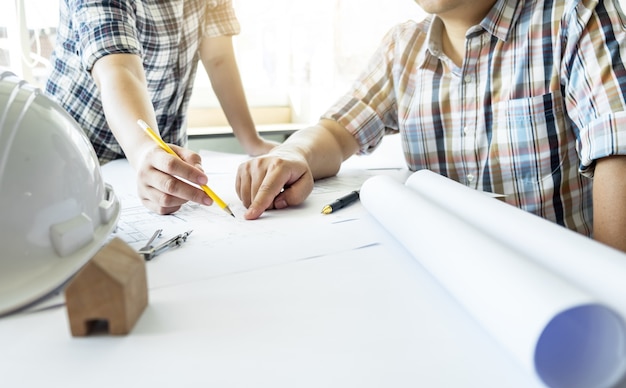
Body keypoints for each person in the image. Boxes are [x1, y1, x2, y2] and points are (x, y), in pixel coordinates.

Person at [235, 0, 626, 253]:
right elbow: (338, 130)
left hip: (556, 289)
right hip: (444, 274)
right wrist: (293, 152)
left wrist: (610, 292)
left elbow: (617, 142)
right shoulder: (404, 45)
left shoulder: (574, 15)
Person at [45, 0, 276, 214]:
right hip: (80, 150)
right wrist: (145, 151)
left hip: (158, 144)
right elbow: (120, 70)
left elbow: (219, 57)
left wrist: (252, 142)